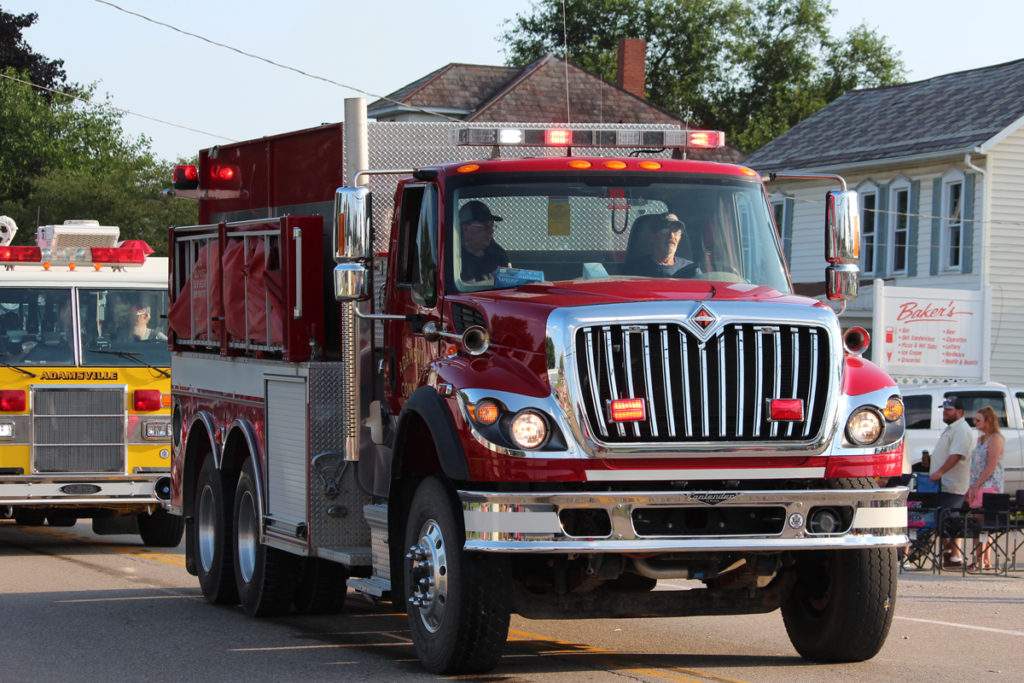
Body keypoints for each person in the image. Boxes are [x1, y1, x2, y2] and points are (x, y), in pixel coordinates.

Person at [928, 395, 975, 568]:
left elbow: (957, 455)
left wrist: (940, 472)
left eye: (949, 410)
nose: (945, 413)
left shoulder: (961, 429)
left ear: (960, 412)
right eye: (944, 409)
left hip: (954, 484)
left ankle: (955, 556)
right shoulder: (951, 429)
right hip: (945, 483)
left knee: (951, 520)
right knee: (945, 520)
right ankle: (948, 556)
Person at [966, 405, 1005, 570]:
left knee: (984, 523)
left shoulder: (995, 438)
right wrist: (971, 486)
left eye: (978, 420)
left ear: (988, 421)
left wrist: (977, 484)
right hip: (976, 484)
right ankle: (980, 558)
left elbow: (991, 465)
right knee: (977, 523)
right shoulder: (980, 439)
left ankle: (983, 559)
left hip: (989, 485)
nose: (975, 423)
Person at [624, 213, 699, 278]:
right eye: (666, 231)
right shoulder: (634, 269)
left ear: (680, 237)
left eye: (676, 231)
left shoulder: (691, 270)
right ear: (652, 236)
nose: (671, 236)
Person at [459, 200, 510, 282]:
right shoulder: (454, 259)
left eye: (492, 226)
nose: (491, 231)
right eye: (485, 226)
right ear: (465, 228)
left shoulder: (498, 255)